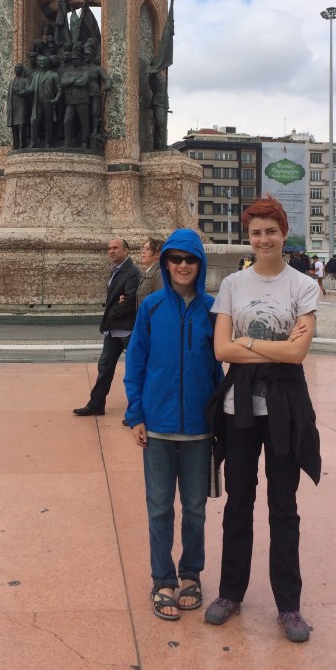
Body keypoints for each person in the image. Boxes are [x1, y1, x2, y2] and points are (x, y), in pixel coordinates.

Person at [205, 196, 320, 643]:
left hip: (284, 409)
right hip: (239, 411)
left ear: (284, 233)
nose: (264, 239)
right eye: (256, 232)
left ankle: (288, 605)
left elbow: (297, 353)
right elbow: (221, 349)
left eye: (271, 231)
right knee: (239, 502)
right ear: (248, 237)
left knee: (283, 505)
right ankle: (230, 592)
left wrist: (247, 344)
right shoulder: (233, 284)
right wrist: (273, 348)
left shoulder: (302, 285)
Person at [124, 229, 224, 620]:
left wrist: (219, 419)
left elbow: (218, 368)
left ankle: (190, 574)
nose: (183, 265)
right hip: (158, 425)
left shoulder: (213, 309)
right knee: (159, 508)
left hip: (199, 428)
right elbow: (136, 363)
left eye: (190, 259)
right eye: (176, 258)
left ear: (200, 263)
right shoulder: (151, 308)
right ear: (165, 262)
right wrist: (135, 414)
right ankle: (162, 579)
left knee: (195, 508)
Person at [73, 238, 141, 417]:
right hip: (113, 329)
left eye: (115, 248)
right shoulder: (116, 270)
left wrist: (111, 313)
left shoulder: (132, 272)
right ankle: (96, 404)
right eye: (109, 248)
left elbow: (130, 300)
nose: (111, 251)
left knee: (135, 370)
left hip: (126, 329)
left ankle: (138, 410)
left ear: (126, 251)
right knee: (105, 367)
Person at [136, 237, 164, 307]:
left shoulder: (159, 273)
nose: (143, 251)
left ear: (158, 254)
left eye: (148, 249)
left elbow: (161, 303)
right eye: (143, 248)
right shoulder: (148, 273)